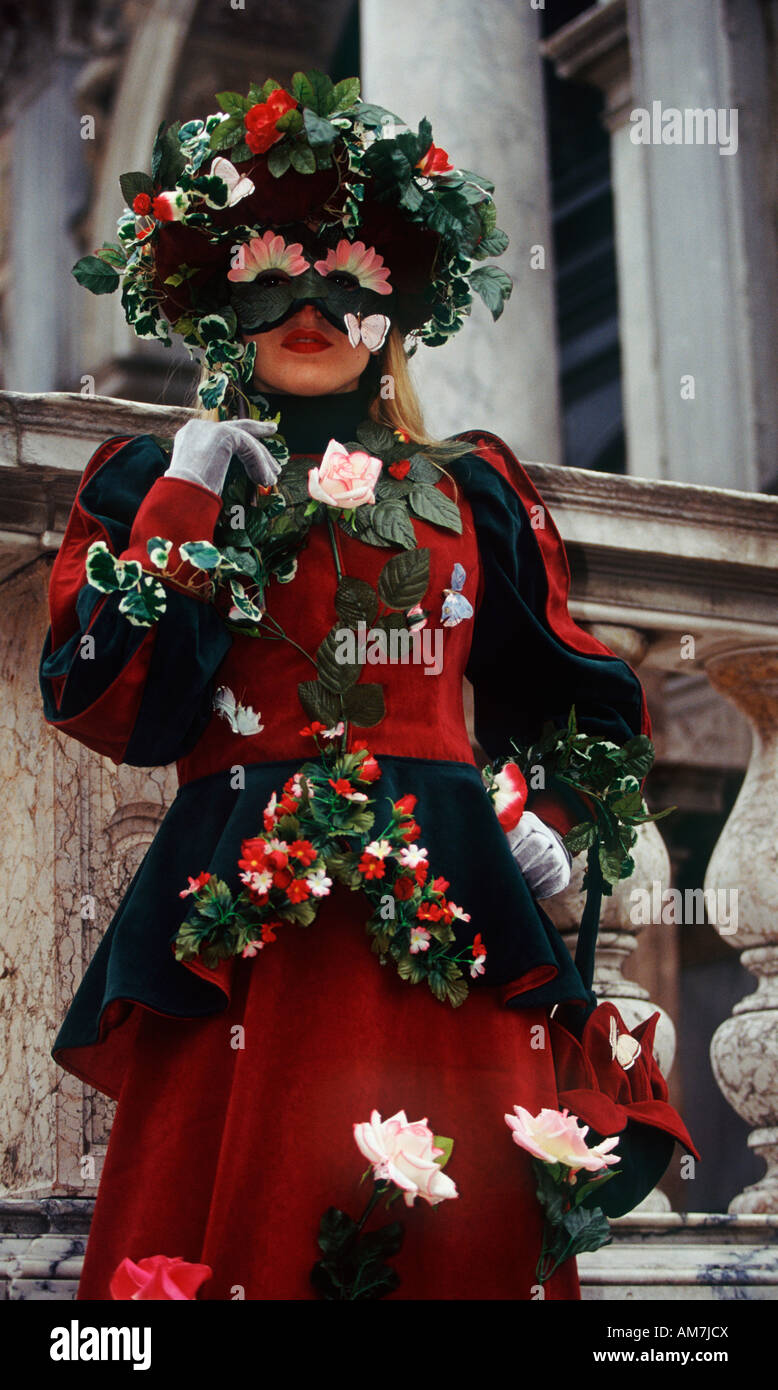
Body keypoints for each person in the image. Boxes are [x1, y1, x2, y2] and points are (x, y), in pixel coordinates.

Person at [39, 72, 696, 1301]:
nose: (310, 307)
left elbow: (580, 704)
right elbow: (110, 706)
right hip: (245, 947)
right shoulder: (151, 482)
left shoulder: (471, 490)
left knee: (459, 1246)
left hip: (448, 930)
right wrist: (186, 499)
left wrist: (545, 826)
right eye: (273, 280)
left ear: (395, 308)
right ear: (220, 305)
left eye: (347, 280)